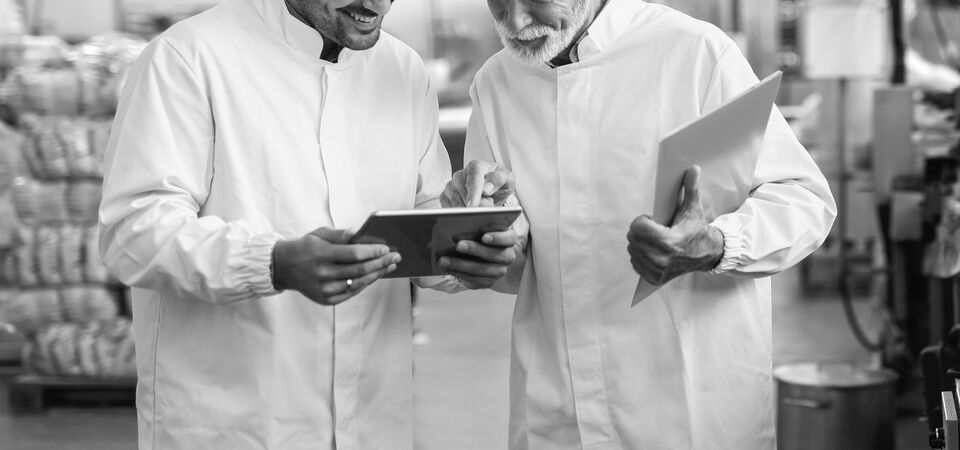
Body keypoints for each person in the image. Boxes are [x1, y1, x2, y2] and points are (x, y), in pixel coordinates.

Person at [98, 0, 517, 448]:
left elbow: (420, 212)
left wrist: (464, 234)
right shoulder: (189, 57)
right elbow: (134, 230)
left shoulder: (402, 70)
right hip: (237, 426)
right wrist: (272, 263)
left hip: (373, 421)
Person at [440, 0, 837, 448]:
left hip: (687, 411)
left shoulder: (693, 54)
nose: (514, 22)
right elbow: (513, 264)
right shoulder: (496, 83)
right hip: (558, 411)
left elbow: (804, 200)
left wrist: (718, 244)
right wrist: (491, 237)